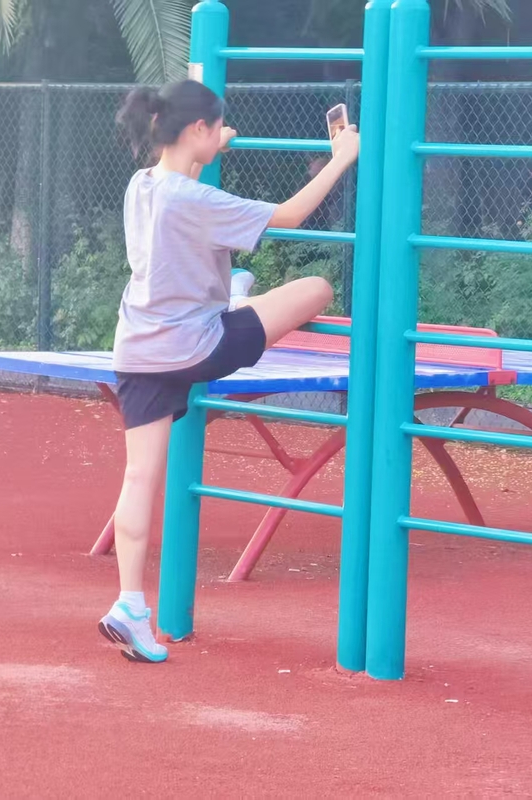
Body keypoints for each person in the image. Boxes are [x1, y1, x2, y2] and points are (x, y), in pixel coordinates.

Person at [99, 79, 360, 663]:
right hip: (198, 346)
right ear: (197, 130)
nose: (221, 135)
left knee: (139, 478)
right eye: (216, 128)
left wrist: (209, 147)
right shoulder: (196, 201)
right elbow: (290, 214)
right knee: (316, 288)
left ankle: (130, 605)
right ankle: (239, 298)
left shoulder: (142, 185)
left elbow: (183, 173)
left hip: (137, 349)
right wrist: (342, 157)